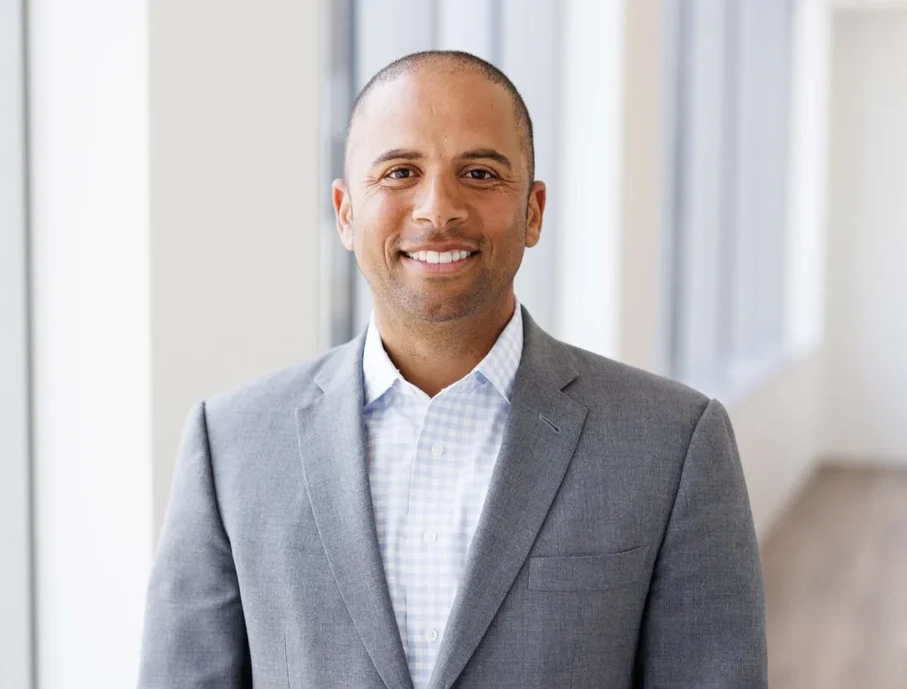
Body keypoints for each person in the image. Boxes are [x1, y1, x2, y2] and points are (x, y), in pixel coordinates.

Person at [138, 50, 767, 689]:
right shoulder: (231, 444)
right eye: (401, 171)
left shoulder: (675, 442)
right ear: (346, 212)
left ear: (533, 211)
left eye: (480, 173)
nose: (438, 209)